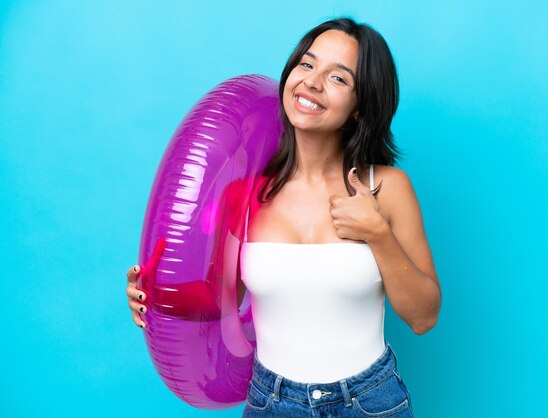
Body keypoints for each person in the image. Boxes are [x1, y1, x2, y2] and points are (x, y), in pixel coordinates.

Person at [126, 18, 441, 417]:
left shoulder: (386, 187)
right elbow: (219, 305)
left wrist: (377, 234)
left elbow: (423, 316)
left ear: (361, 107)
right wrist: (154, 298)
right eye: (307, 65)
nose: (312, 82)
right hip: (271, 402)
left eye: (338, 78)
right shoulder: (247, 194)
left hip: (368, 401)